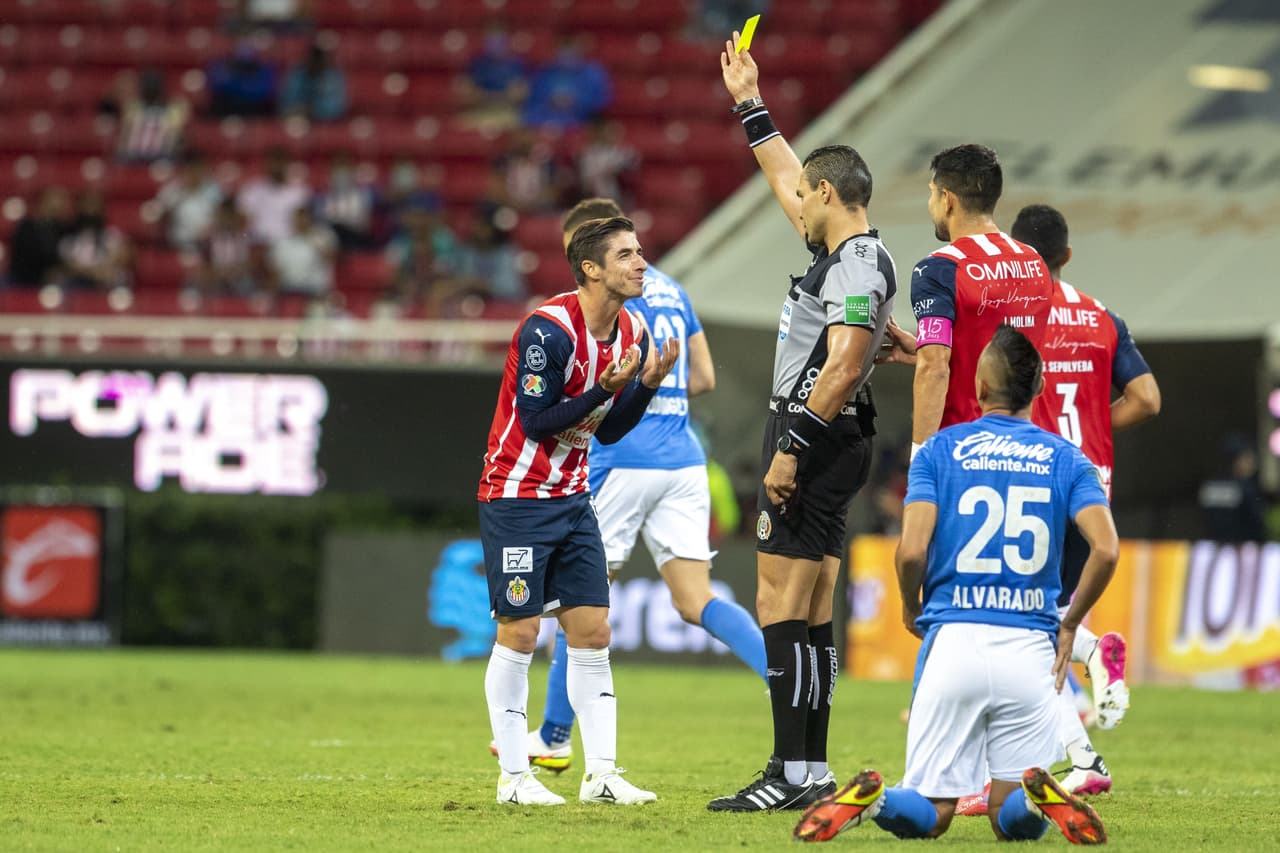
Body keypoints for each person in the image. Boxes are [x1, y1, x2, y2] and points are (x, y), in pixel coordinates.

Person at [793, 324, 1119, 845]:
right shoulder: (1067, 459)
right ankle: (1037, 800)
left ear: (980, 389)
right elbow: (1106, 548)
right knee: (1008, 812)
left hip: (953, 640)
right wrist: (1071, 624)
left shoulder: (940, 452)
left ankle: (875, 800)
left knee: (931, 810)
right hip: (1030, 648)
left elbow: (912, 551)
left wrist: (908, 606)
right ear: (1038, 391)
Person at [495, 197, 766, 775]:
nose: (635, 261)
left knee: (580, 598)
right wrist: (656, 393)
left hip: (622, 456)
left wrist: (619, 392)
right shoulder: (671, 293)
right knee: (697, 600)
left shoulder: (614, 312)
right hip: (685, 456)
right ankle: (784, 679)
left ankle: (554, 735)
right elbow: (706, 378)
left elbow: (561, 415)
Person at [708, 32, 895, 813]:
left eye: (805, 196)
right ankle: (808, 769)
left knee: (780, 602)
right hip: (833, 438)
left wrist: (790, 449)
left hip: (814, 434)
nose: (795, 203)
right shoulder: (849, 255)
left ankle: (790, 769)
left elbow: (846, 365)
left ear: (829, 197)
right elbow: (785, 174)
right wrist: (750, 103)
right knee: (810, 605)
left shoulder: (852, 265)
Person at [477, 216, 678, 806]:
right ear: (591, 269)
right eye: (626, 255)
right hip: (517, 497)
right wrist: (604, 388)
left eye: (640, 252)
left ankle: (603, 777)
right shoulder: (547, 330)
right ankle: (514, 778)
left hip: (572, 497)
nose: (641, 263)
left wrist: (642, 385)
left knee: (593, 630)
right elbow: (538, 421)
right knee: (519, 630)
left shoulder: (632, 328)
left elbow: (608, 431)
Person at [1009, 203, 1161, 797]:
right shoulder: (1103, 317)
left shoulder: (1017, 318)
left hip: (1034, 474)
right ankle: (1082, 758)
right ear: (1067, 256)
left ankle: (1094, 650)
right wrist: (1094, 423)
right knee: (1033, 625)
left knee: (1017, 616)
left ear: (1018, 258)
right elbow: (1147, 399)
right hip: (1091, 480)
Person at [879, 144, 1054, 459]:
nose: (930, 203)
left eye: (932, 193)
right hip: (1028, 452)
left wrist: (921, 458)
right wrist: (924, 350)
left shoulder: (939, 269)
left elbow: (935, 369)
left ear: (947, 199)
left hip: (966, 452)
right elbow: (1005, 348)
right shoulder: (1036, 263)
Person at [521, 35, 612, 129]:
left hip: (581, 121)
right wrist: (550, 102)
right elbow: (533, 99)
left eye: (571, 50)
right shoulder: (544, 73)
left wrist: (576, 102)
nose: (566, 56)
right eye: (563, 50)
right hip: (545, 120)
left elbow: (602, 101)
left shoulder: (593, 74)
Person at [56, 190, 133, 291]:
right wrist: (94, 274)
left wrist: (103, 271)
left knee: (121, 278)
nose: (91, 211)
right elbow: (70, 264)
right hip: (79, 280)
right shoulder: (69, 239)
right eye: (87, 206)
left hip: (107, 280)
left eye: (94, 206)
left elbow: (121, 257)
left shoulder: (112, 235)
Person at [153, 151, 223, 252]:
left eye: (197, 170)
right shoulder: (171, 190)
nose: (194, 174)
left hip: (208, 245)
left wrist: (212, 229)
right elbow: (158, 217)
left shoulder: (215, 191)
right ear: (184, 170)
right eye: (191, 170)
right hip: (176, 243)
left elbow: (223, 216)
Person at [237, 147, 310, 244]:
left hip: (287, 242)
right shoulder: (252, 189)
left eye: (281, 163)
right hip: (259, 242)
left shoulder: (300, 192)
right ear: (266, 165)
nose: (277, 168)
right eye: (274, 163)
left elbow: (303, 223)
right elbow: (242, 220)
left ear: (288, 166)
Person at [116, 68, 190, 163]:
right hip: (135, 158)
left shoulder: (132, 108)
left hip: (162, 158)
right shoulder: (133, 108)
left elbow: (123, 141)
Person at [8, 186, 70, 287]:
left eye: (61, 202)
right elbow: (22, 260)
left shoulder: (62, 228)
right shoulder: (26, 227)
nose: (58, 205)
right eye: (53, 201)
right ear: (42, 202)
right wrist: (44, 274)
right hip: (25, 280)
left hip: (54, 279)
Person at [268, 206, 337, 298]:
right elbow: (275, 270)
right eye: (297, 219)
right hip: (288, 289)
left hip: (315, 289)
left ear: (310, 220)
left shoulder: (323, 236)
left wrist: (312, 239)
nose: (301, 222)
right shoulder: (282, 242)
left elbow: (333, 258)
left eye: (304, 219)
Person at [279, 42, 347, 123]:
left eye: (320, 57)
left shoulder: (333, 76)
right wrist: (300, 109)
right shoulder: (298, 74)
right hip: (298, 119)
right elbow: (287, 101)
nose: (317, 60)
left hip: (325, 122)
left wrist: (314, 110)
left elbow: (336, 108)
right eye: (315, 56)